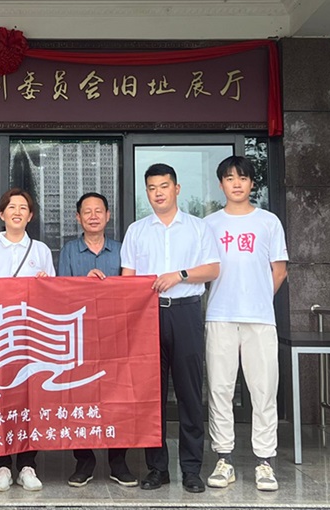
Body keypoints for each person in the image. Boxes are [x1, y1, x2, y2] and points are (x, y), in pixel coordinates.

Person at [120, 163, 220, 494]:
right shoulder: (137, 230)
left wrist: (180, 275)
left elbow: (213, 269)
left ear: (177, 189)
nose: (158, 193)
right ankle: (157, 468)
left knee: (190, 394)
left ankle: (191, 469)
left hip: (186, 312)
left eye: (164, 186)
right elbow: (127, 277)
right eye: (151, 188)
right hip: (147, 315)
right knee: (151, 396)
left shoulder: (198, 227)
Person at [202, 155, 288, 492]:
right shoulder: (209, 224)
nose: (236, 183)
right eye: (229, 178)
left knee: (263, 389)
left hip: (260, 319)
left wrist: (258, 298)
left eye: (242, 178)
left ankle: (265, 462)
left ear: (252, 183)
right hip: (220, 316)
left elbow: (279, 270)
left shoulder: (268, 222)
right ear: (220, 184)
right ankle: (224, 458)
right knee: (220, 389)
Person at [0, 188, 55, 492]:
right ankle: (2, 466)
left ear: (30, 216)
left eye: (23, 208)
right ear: (1, 214)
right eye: (11, 207)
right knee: (1, 397)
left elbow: (54, 294)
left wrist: (46, 285)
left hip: (32, 338)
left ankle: (28, 465)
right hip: (0, 338)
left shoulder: (41, 251)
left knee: (30, 397)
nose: (17, 212)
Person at [57, 192, 137, 488]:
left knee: (118, 396)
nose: (93, 216)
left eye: (98, 211)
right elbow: (60, 292)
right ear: (78, 218)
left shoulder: (122, 250)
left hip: (116, 334)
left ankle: (118, 460)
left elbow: (131, 290)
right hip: (79, 336)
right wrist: (83, 284)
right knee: (81, 396)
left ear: (108, 216)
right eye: (87, 211)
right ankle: (84, 460)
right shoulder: (69, 251)